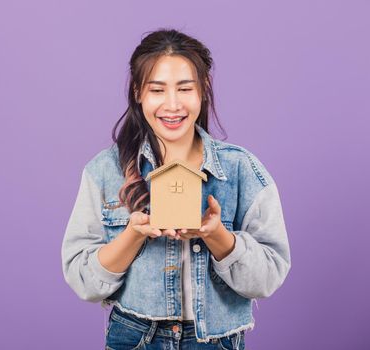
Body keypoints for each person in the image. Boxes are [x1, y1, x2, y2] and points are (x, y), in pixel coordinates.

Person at [61, 28, 291, 349]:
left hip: (215, 340)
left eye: (185, 88)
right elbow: (84, 281)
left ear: (204, 89)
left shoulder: (242, 170)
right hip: (136, 337)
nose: (172, 105)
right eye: (157, 90)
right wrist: (134, 234)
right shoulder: (104, 171)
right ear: (138, 92)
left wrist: (216, 235)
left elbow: (268, 277)